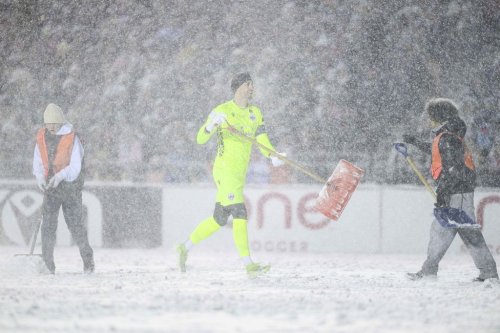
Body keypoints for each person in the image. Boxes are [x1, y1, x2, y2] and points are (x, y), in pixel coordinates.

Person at [176, 72, 285, 276]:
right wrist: (210, 126)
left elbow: (261, 141)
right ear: (237, 88)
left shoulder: (255, 112)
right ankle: (248, 265)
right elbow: (200, 138)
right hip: (224, 170)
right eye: (248, 84)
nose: (251, 88)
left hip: (238, 173)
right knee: (239, 211)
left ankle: (184, 247)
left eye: (252, 84)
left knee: (219, 218)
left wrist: (273, 155)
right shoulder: (222, 111)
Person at [403, 98, 498, 282]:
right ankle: (432, 269)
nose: (429, 119)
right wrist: (415, 142)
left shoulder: (448, 137)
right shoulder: (447, 135)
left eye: (431, 115)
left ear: (438, 115)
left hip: (457, 192)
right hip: (457, 190)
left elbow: (452, 167)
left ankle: (486, 272)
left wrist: (444, 192)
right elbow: (438, 151)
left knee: (457, 231)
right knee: (450, 230)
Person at [33, 103, 94, 274]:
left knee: (75, 226)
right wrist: (40, 178)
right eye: (48, 124)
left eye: (54, 124)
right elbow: (37, 161)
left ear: (60, 122)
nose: (51, 127)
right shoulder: (41, 137)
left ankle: (88, 260)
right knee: (48, 226)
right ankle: (47, 264)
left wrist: (59, 176)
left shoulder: (72, 138)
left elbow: (75, 168)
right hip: (51, 188)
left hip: (70, 188)